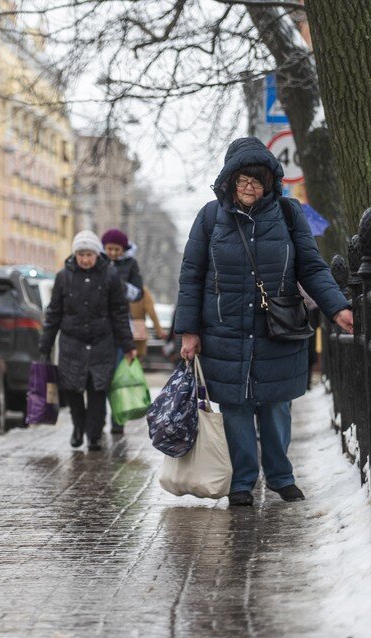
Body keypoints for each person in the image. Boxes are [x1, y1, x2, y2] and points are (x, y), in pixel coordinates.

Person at [176, 137, 353, 508]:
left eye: (258, 180)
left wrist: (337, 307)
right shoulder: (209, 217)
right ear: (229, 181)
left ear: (271, 182)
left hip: (278, 327)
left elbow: (312, 267)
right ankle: (242, 482)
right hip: (224, 329)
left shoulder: (289, 214)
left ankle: (280, 477)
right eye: (243, 180)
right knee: (236, 407)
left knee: (275, 406)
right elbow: (191, 275)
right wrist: (189, 330)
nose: (250, 187)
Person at [38, 230, 137, 451]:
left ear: (96, 254)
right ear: (75, 255)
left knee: (97, 390)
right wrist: (45, 344)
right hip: (72, 343)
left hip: (102, 343)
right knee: (72, 389)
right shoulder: (64, 276)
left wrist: (128, 345)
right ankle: (78, 427)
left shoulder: (110, 276)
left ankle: (93, 435)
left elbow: (119, 312)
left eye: (89, 255)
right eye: (81, 254)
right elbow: (54, 313)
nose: (85, 259)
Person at [101, 227, 144, 434]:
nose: (113, 253)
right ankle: (97, 419)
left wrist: (116, 284)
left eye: (117, 249)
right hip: (98, 326)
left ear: (123, 249)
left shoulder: (131, 264)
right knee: (100, 376)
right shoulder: (96, 260)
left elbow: (138, 294)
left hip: (120, 325)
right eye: (109, 249)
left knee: (118, 375)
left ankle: (117, 419)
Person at [130, 286, 167, 358]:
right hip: (138, 331)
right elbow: (152, 313)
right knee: (137, 358)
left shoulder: (119, 287)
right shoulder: (142, 291)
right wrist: (159, 331)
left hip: (120, 330)